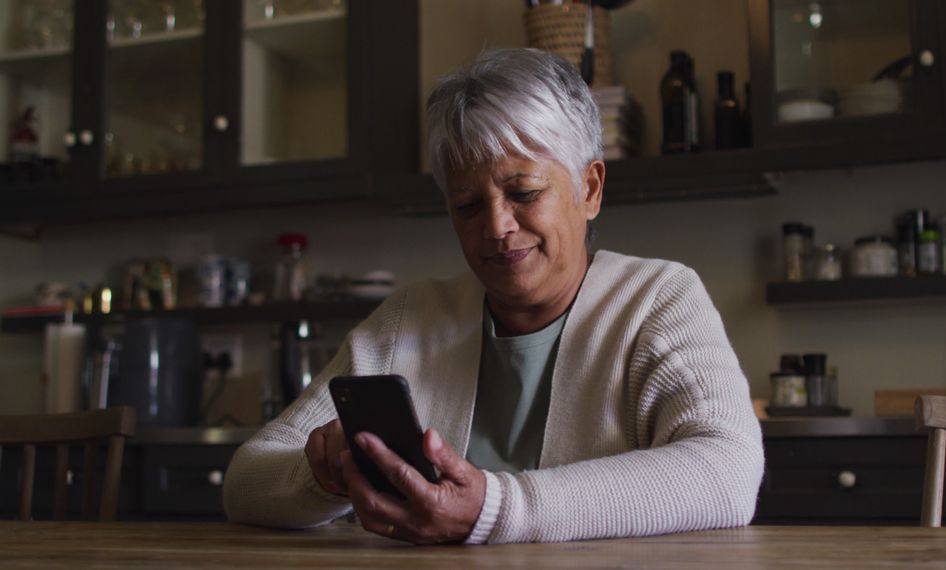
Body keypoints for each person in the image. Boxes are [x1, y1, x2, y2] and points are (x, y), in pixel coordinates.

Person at [224, 48, 763, 545]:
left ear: (590, 189)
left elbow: (727, 470)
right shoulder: (407, 321)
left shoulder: (657, 300)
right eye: (467, 205)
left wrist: (495, 509)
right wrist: (322, 474)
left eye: (524, 192)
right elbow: (246, 479)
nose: (498, 227)